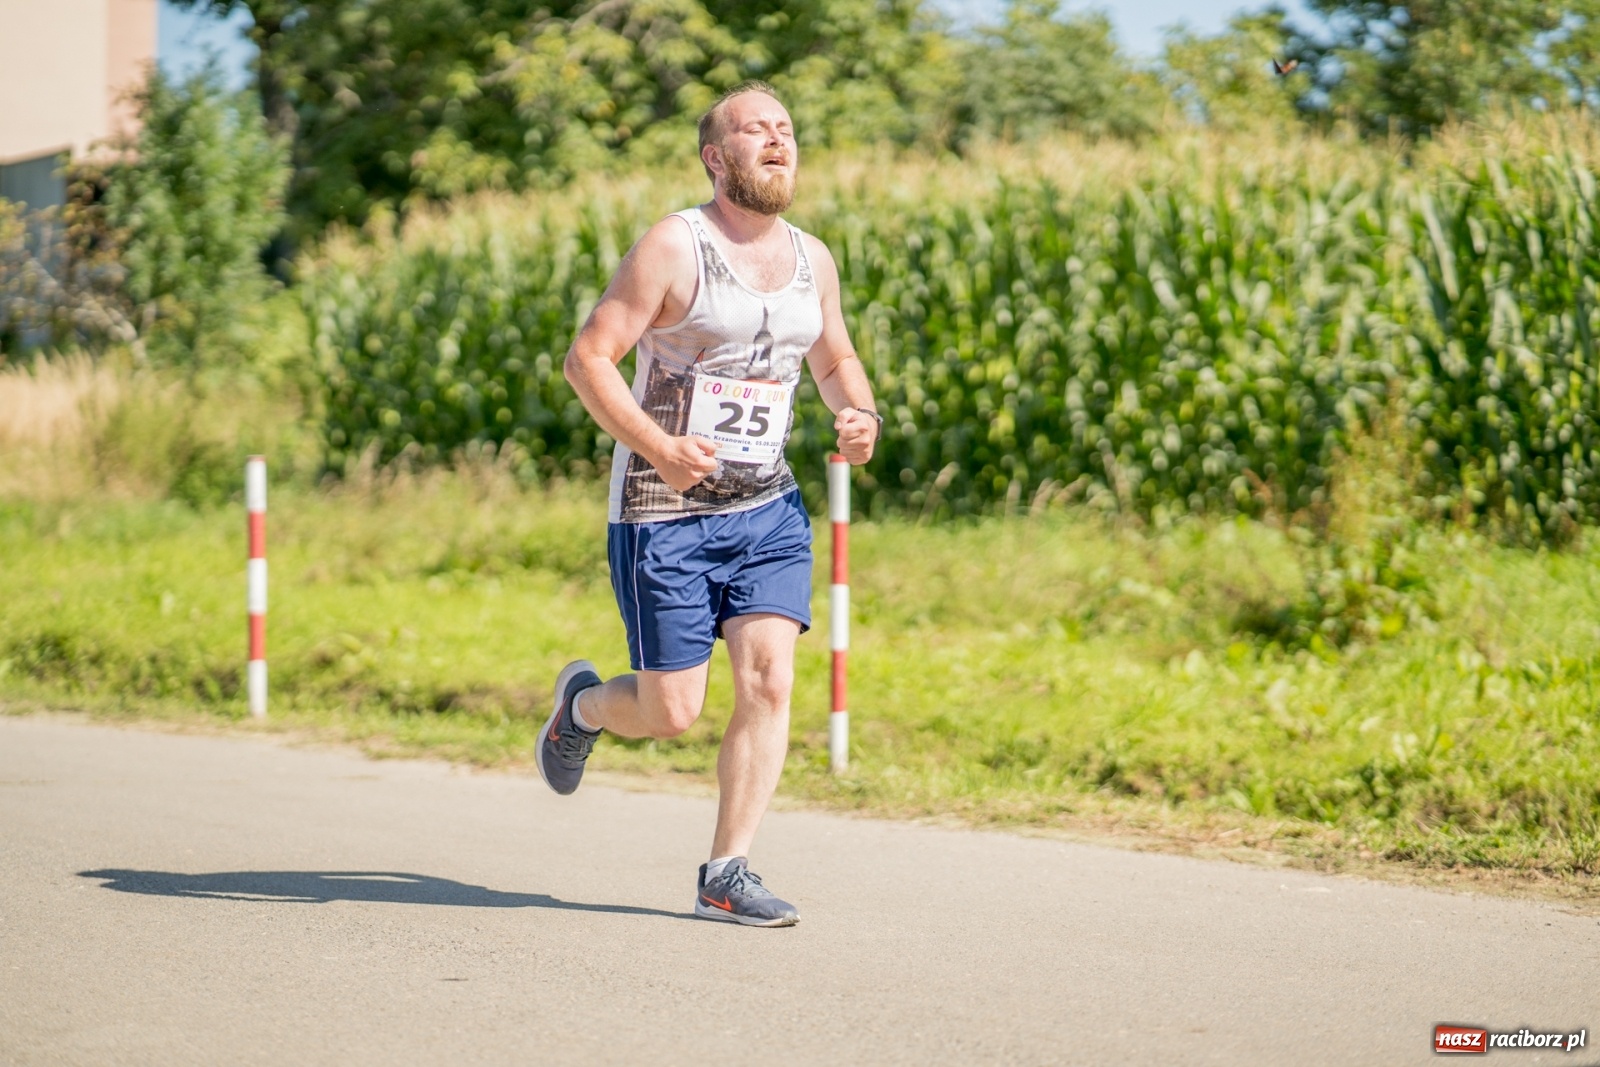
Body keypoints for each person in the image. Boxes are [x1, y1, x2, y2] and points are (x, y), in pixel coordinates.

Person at [537, 81, 881, 927]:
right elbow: (590, 359)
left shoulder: (815, 259)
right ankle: (581, 706)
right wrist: (659, 447)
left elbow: (834, 358)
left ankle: (726, 870)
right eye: (753, 130)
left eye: (786, 129)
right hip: (663, 509)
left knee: (768, 679)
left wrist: (860, 411)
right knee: (672, 710)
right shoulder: (673, 247)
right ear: (714, 156)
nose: (775, 140)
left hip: (766, 508)